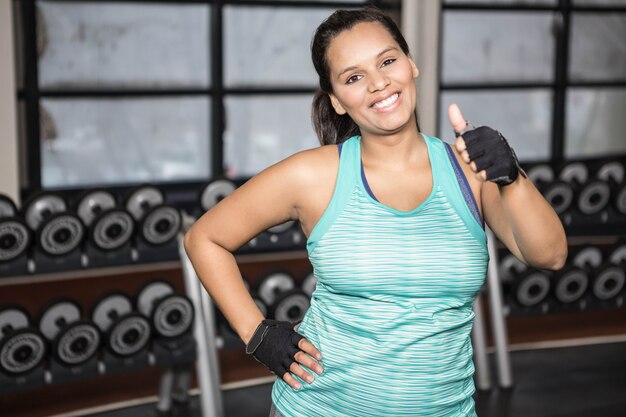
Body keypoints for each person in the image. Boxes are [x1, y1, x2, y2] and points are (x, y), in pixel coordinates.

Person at [183, 6, 568, 417]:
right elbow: (204, 238)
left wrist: (510, 175)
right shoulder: (313, 175)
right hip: (319, 408)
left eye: (387, 61)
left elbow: (550, 255)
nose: (379, 83)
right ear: (337, 101)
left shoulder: (470, 171)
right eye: (353, 77)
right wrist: (257, 334)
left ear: (411, 63)